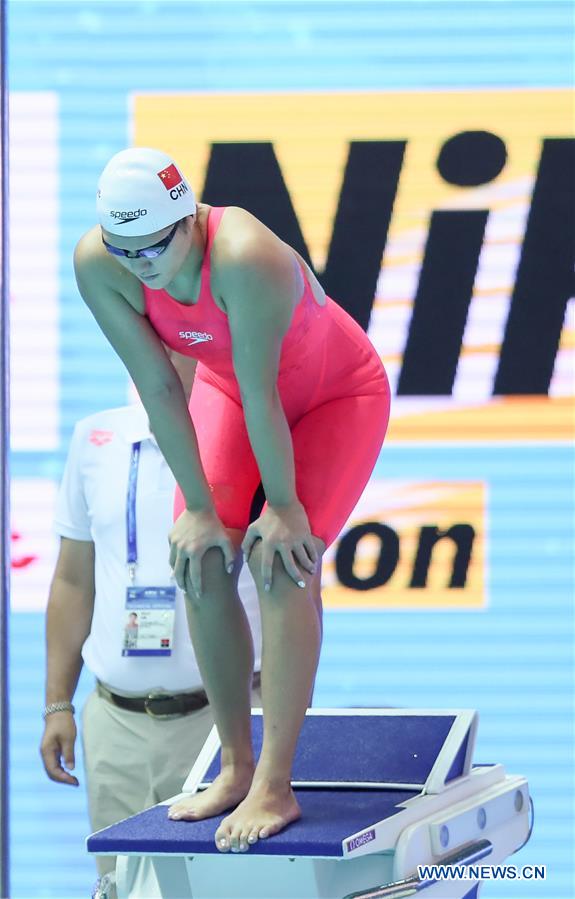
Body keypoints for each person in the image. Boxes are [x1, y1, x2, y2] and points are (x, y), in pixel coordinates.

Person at [73, 147, 391, 854]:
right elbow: (162, 388)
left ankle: (275, 782)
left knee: (282, 561)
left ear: (188, 218)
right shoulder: (98, 264)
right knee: (198, 558)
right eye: (125, 248)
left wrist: (283, 505)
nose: (141, 263)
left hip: (336, 397)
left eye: (154, 245)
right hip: (231, 393)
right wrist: (197, 508)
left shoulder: (245, 252)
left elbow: (264, 391)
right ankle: (235, 766)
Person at [39, 396, 262, 893]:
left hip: (225, 723)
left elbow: (295, 587)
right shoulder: (96, 437)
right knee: (120, 885)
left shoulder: (255, 434)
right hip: (115, 723)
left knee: (228, 887)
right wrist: (57, 704)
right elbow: (73, 580)